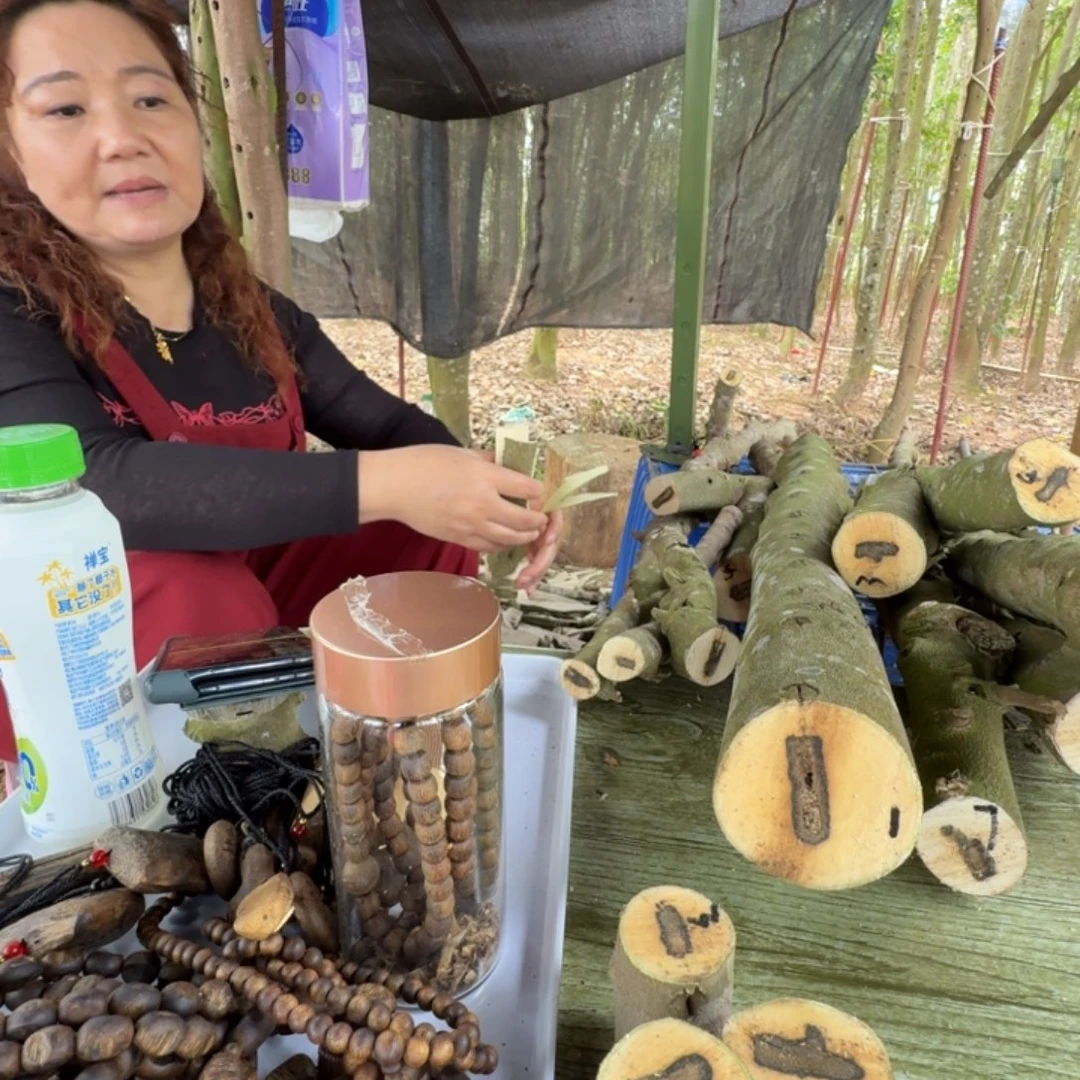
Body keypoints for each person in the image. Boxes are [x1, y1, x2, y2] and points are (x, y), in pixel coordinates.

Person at [0, 0, 563, 763]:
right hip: (87, 654)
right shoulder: (16, 307)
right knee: (211, 600)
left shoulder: (249, 308)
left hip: (257, 604)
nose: (123, 137)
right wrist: (384, 481)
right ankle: (199, 803)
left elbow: (393, 430)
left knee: (418, 523)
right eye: (64, 107)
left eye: (151, 98)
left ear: (194, 130)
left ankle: (378, 742)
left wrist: (482, 490)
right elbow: (102, 481)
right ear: (9, 148)